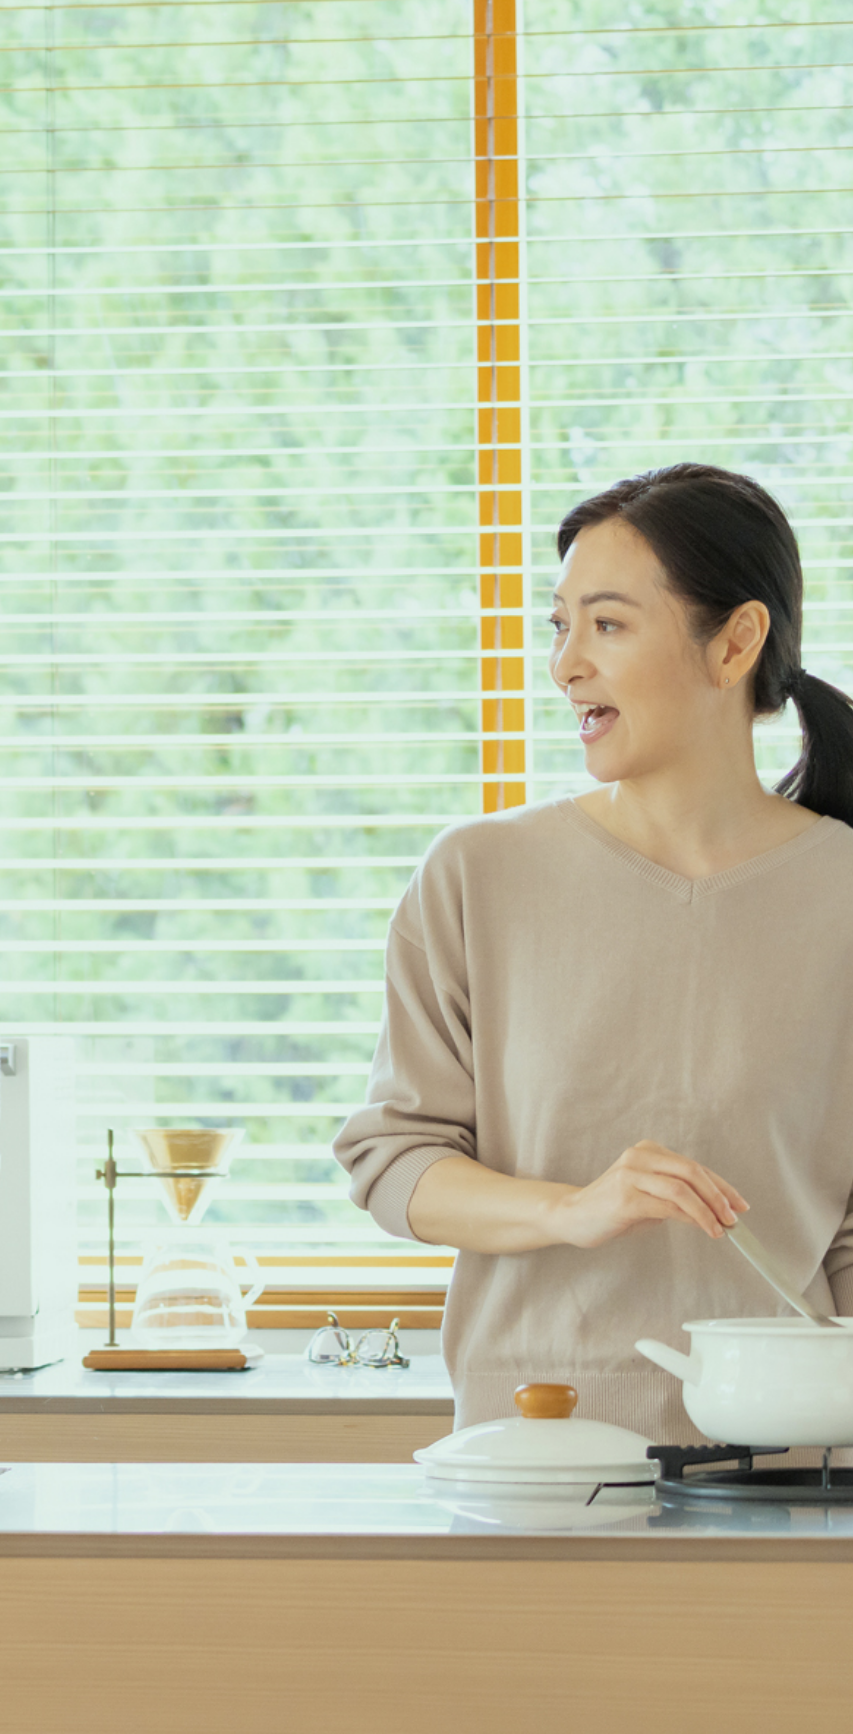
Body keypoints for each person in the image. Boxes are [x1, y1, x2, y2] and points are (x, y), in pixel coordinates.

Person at [336, 463, 853, 1441]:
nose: (566, 663)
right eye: (558, 625)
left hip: (786, 1474)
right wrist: (572, 1210)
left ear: (736, 640)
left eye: (607, 625)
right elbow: (395, 1160)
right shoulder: (477, 876)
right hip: (532, 1461)